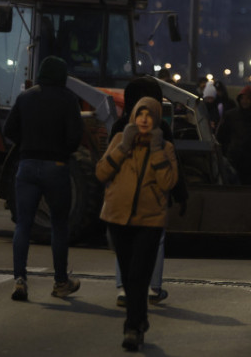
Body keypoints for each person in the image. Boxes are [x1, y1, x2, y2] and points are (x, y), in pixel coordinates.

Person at [96, 96, 179, 351]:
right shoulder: (121, 140)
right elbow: (101, 172)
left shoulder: (165, 148)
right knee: (130, 272)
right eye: (140, 114)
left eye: (149, 115)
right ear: (133, 116)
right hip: (117, 218)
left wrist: (155, 149)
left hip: (149, 220)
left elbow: (168, 183)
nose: (144, 119)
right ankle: (140, 320)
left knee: (137, 276)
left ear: (156, 119)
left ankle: (132, 328)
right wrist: (123, 146)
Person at [3, 55, 83, 302]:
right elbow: (74, 139)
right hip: (56, 167)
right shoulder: (69, 100)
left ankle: (19, 279)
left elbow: (9, 130)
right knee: (59, 225)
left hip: (26, 166)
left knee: (23, 224)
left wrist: (27, 144)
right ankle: (60, 282)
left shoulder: (25, 97)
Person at [110, 76, 186, 308]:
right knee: (156, 241)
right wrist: (180, 192)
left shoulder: (120, 126)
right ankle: (153, 288)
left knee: (123, 239)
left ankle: (124, 288)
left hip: (124, 193)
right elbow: (173, 163)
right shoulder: (160, 127)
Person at [216, 85, 251, 185]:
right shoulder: (230, 116)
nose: (244, 101)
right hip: (233, 161)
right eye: (242, 98)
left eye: (248, 98)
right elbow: (221, 137)